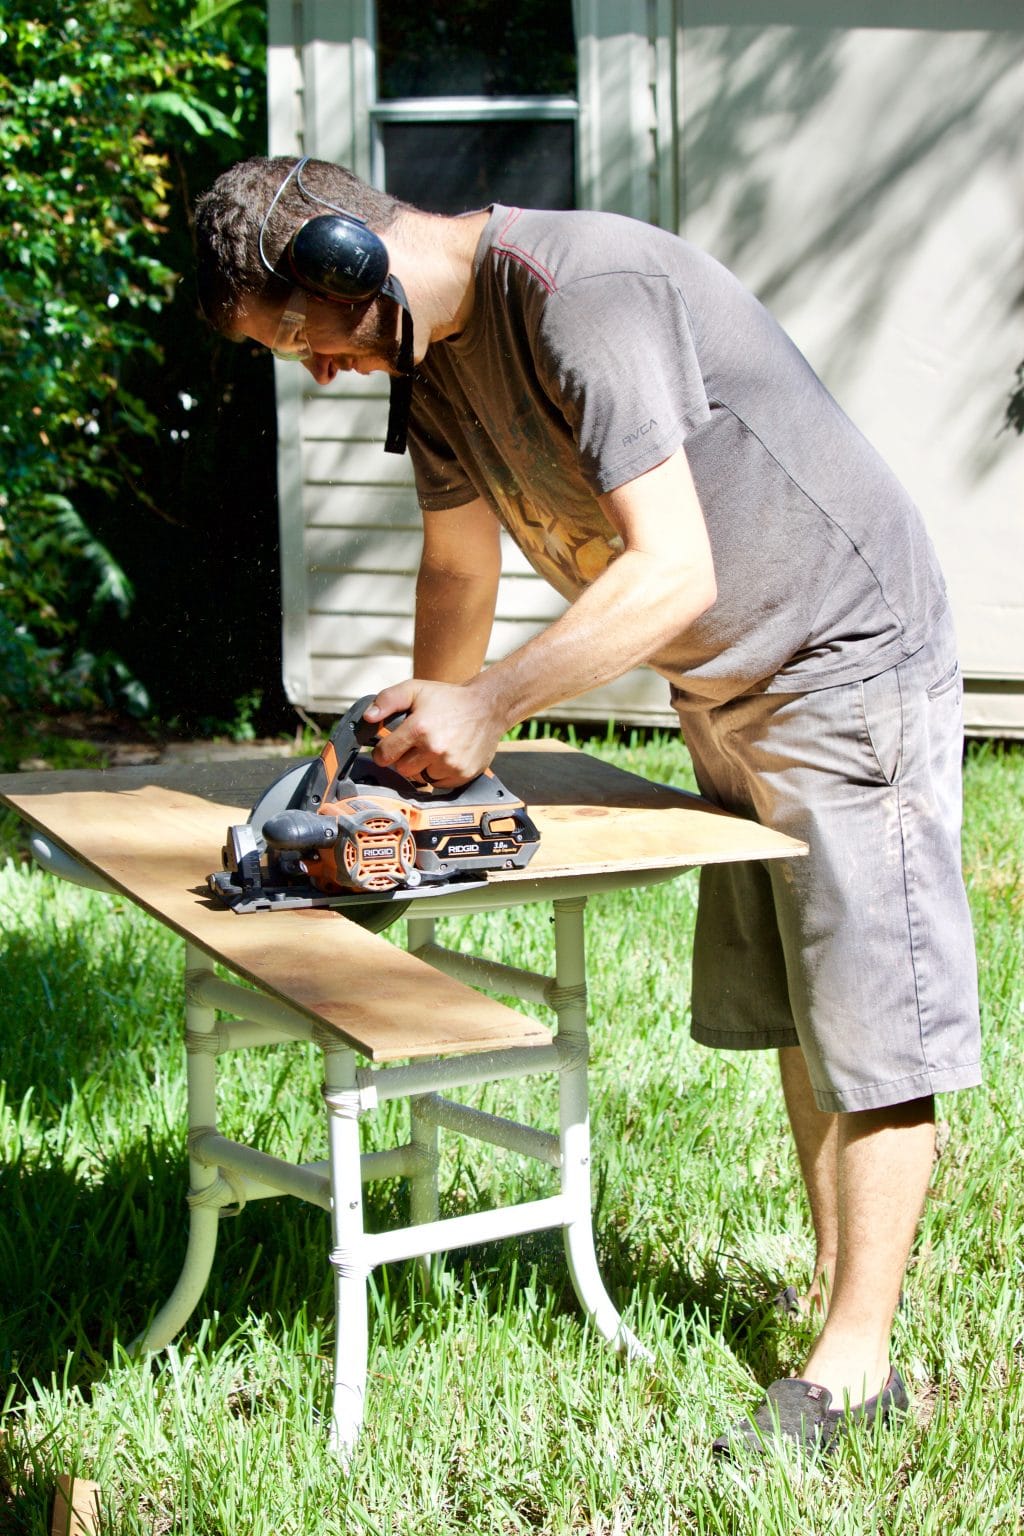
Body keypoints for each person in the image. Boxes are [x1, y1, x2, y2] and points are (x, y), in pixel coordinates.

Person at [193, 155, 981, 1456]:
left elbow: (673, 572)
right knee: (803, 999)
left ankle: (856, 1366)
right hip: (734, 686)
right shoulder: (436, 374)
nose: (315, 370)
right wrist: (415, 768)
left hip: (847, 653)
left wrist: (491, 707)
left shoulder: (580, 294)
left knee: (874, 1007)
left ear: (343, 262)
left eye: (297, 334)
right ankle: (851, 1298)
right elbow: (457, 569)